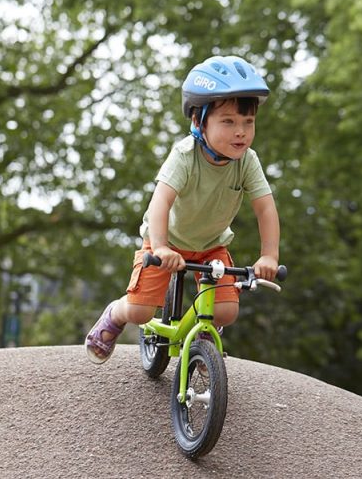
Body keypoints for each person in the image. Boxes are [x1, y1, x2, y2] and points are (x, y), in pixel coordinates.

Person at [85, 55, 281, 364]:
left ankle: (201, 337)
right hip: (168, 241)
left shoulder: (247, 162)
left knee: (226, 311)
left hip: (211, 245)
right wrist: (160, 247)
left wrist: (269, 255)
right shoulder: (184, 156)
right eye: (228, 121)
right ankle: (115, 313)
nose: (241, 131)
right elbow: (160, 202)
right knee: (140, 311)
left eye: (248, 122)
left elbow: (265, 208)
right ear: (197, 121)